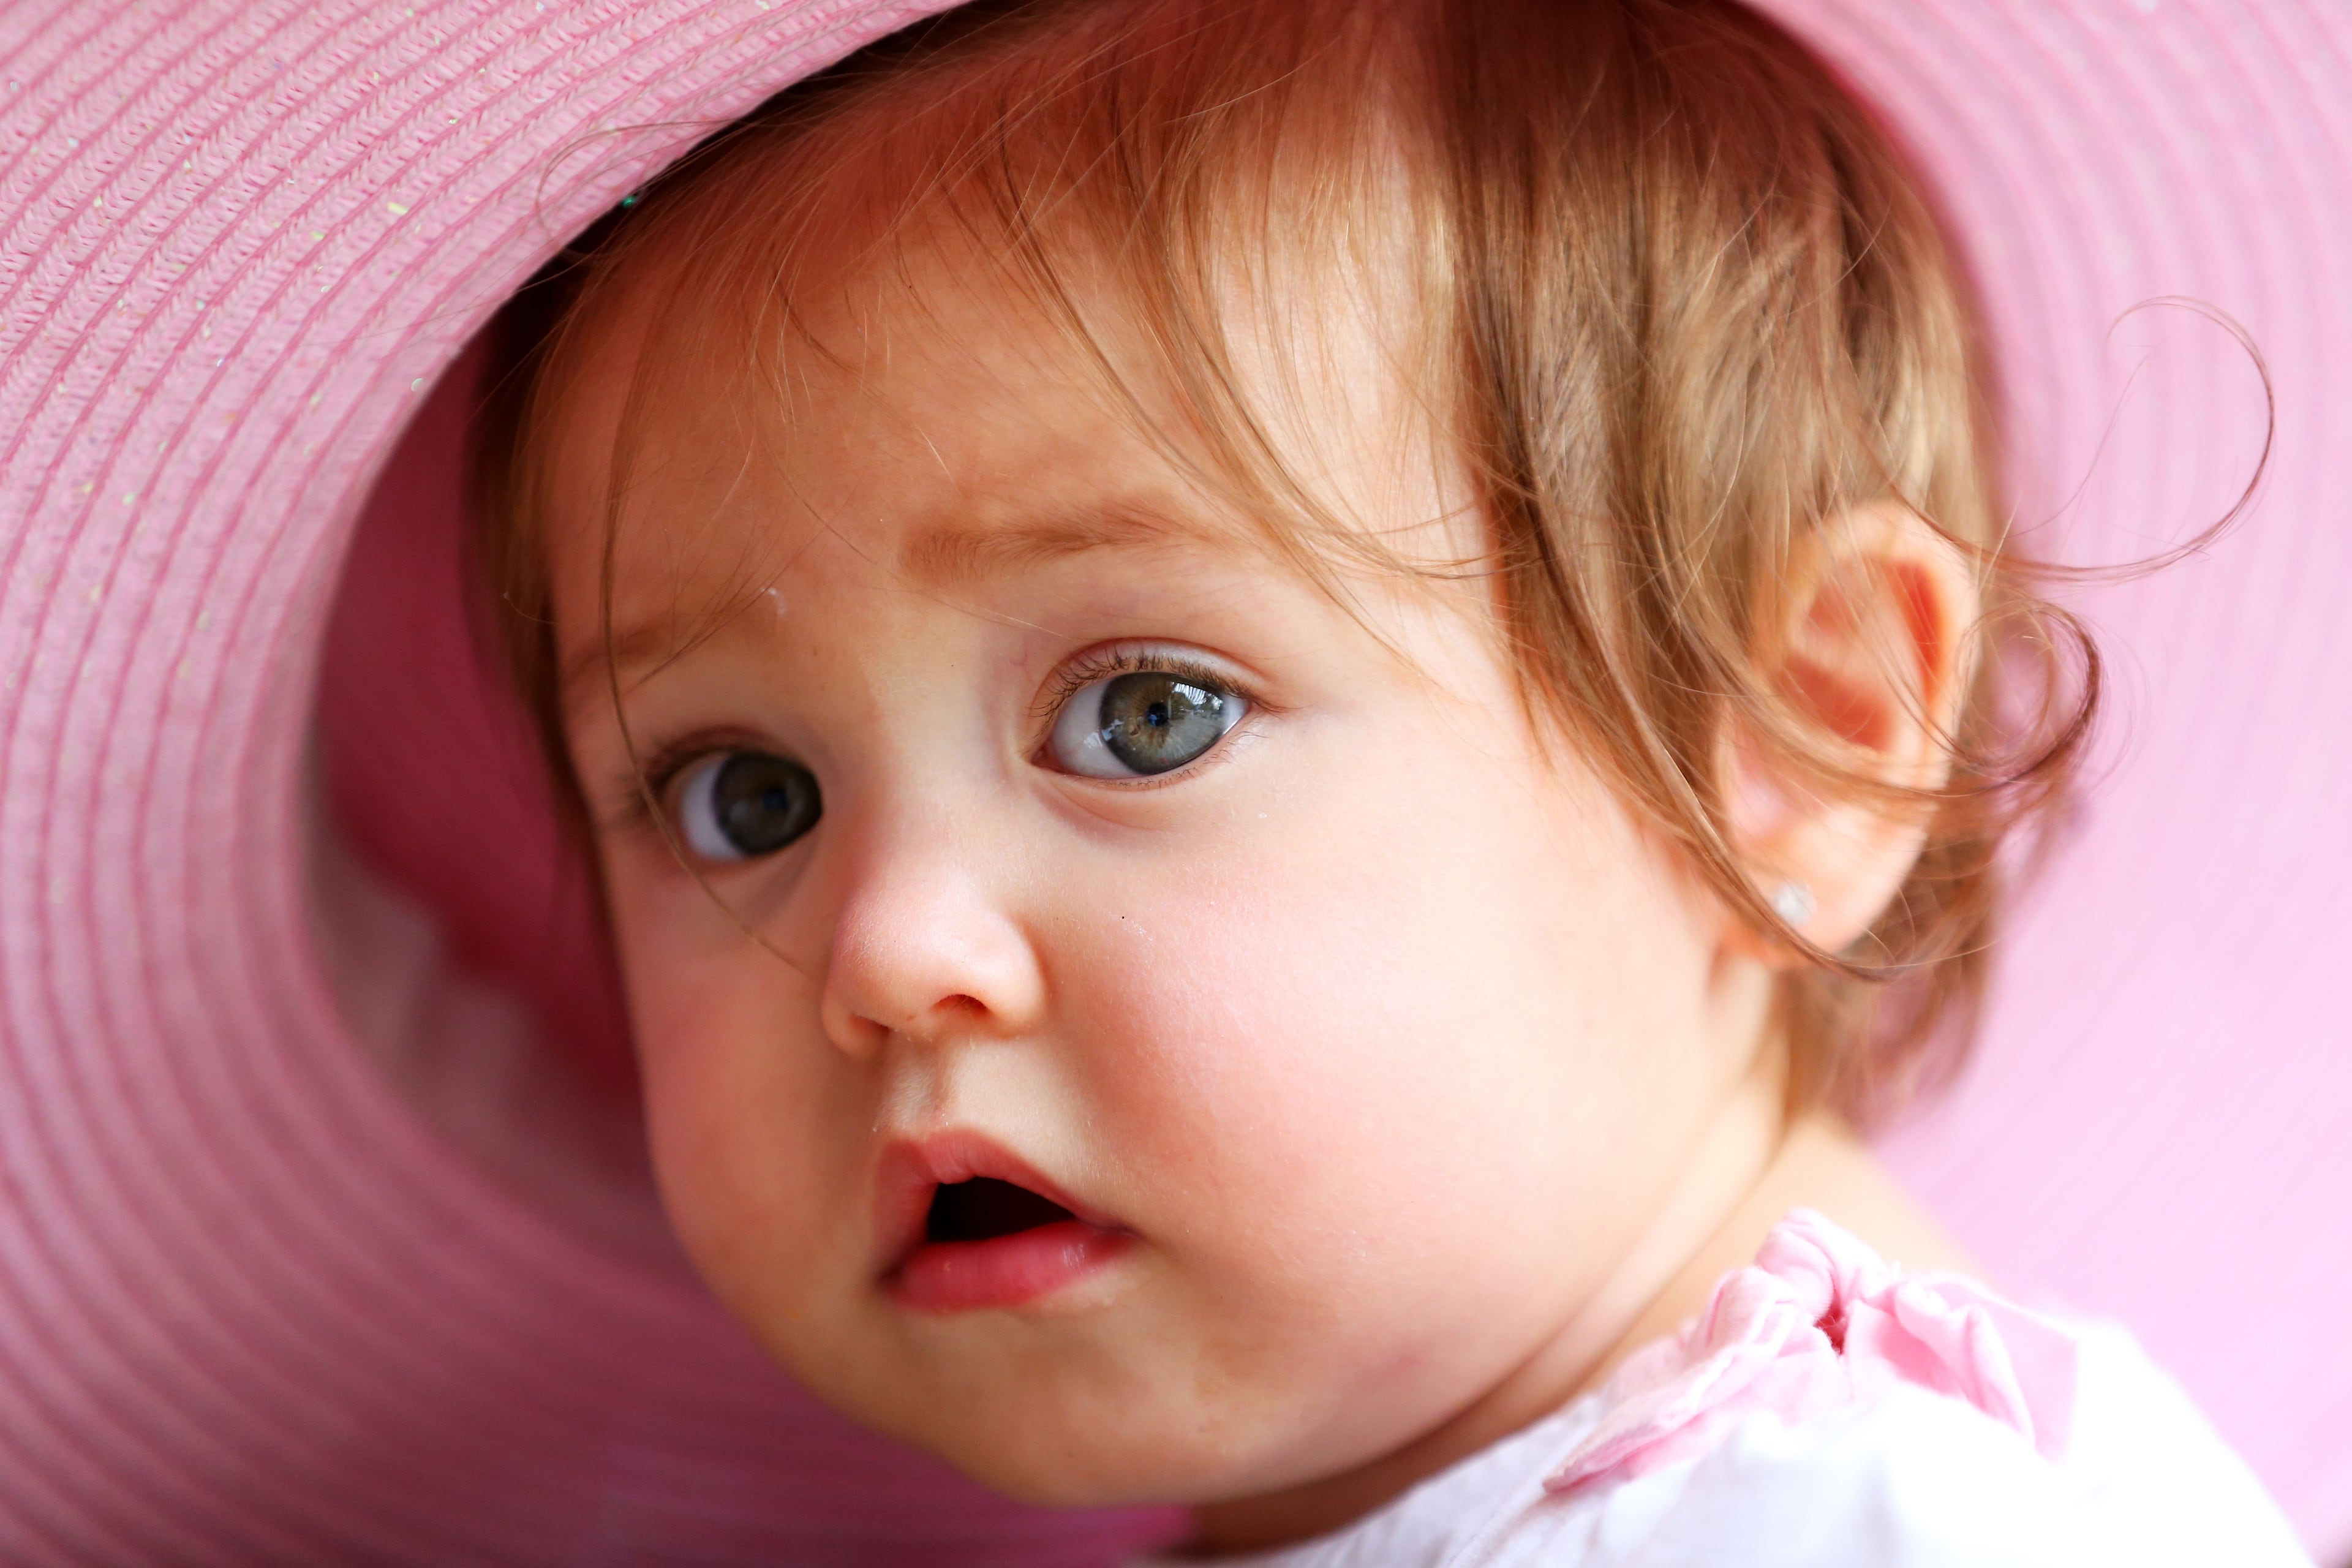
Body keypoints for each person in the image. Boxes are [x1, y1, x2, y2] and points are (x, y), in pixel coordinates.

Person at [467, 0, 2312, 1559]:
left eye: (1148, 714)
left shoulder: (1865, 1522)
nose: (888, 948)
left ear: (1789, 737)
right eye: (745, 798)